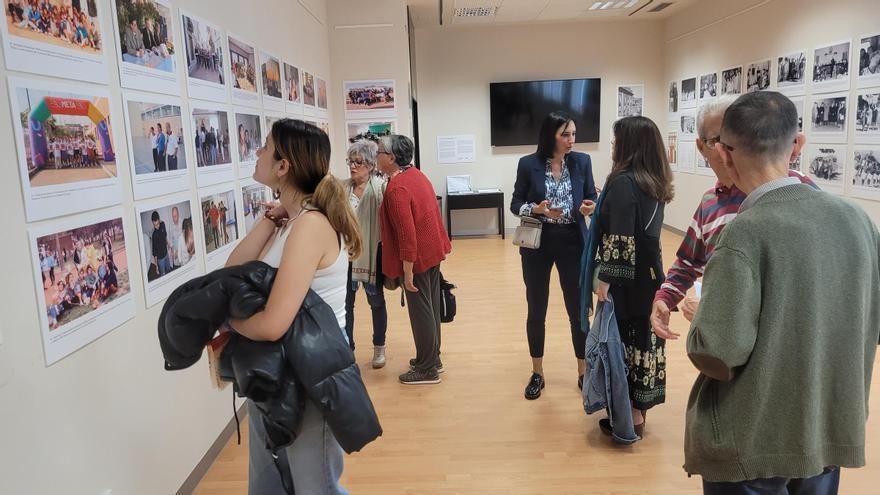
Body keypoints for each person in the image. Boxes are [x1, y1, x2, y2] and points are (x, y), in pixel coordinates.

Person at [674, 90, 880, 494]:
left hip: (752, 441)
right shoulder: (859, 222)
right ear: (797, 145)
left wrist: (700, 314)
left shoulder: (744, 233)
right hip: (825, 430)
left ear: (726, 155)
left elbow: (716, 353)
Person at [225, 118, 362, 494]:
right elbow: (232, 273)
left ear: (284, 166)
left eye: (265, 146)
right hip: (273, 372)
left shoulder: (310, 226)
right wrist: (270, 219)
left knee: (314, 487)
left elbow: (272, 324)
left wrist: (230, 323)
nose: (257, 152)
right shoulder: (291, 221)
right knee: (270, 484)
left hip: (308, 377)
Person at [650, 96, 816, 330]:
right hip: (722, 345)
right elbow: (688, 260)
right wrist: (665, 297)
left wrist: (716, 315)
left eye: (733, 138)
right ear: (701, 147)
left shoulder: (799, 192)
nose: (725, 150)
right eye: (716, 140)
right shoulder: (710, 201)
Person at [585, 116, 674, 437]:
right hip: (649, 275)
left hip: (627, 279)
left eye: (616, 139)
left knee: (620, 342)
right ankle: (638, 414)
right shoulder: (653, 180)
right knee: (641, 343)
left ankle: (629, 419)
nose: (612, 144)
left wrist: (604, 281)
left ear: (630, 145)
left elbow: (621, 237)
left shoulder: (623, 182)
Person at [510, 111, 597, 400]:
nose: (572, 139)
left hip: (573, 241)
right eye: (565, 134)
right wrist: (534, 210)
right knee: (537, 309)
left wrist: (589, 207)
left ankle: (583, 373)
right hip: (538, 242)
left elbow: (590, 198)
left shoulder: (583, 161)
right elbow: (515, 203)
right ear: (551, 136)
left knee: (578, 310)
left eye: (573, 134)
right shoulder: (528, 164)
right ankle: (537, 372)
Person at [377, 134, 451, 385]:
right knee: (429, 307)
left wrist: (407, 272)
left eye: (379, 153)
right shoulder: (417, 175)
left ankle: (427, 369)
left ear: (391, 158)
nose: (376, 156)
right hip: (431, 251)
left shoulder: (396, 188)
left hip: (417, 258)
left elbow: (406, 235)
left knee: (421, 313)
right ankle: (432, 358)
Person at [343, 139, 388, 368]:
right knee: (346, 304)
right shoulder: (341, 189)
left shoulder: (381, 188)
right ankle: (348, 349)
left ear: (370, 165)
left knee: (376, 301)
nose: (352, 166)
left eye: (358, 162)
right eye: (351, 161)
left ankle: (379, 348)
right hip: (345, 255)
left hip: (372, 255)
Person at [150, 211, 172, 276]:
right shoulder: (154, 235)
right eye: (154, 225)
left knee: (169, 270)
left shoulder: (163, 224)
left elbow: (165, 236)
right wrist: (156, 266)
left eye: (157, 224)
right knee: (163, 274)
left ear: (159, 220)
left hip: (166, 254)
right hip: (160, 259)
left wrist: (168, 245)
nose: (156, 227)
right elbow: (154, 252)